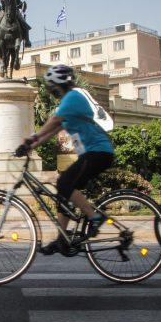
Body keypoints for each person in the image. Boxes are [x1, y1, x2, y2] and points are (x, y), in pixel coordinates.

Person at [18, 64, 114, 255]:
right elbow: (51, 132)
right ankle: (62, 239)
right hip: (92, 154)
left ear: (58, 84)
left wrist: (31, 139)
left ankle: (94, 217)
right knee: (64, 194)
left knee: (64, 183)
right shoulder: (66, 102)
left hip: (97, 152)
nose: (49, 88)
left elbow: (53, 122)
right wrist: (29, 146)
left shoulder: (73, 97)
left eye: (51, 84)